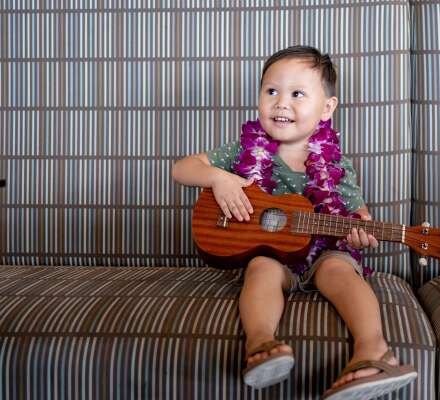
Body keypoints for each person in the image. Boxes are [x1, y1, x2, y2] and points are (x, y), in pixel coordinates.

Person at [172, 45, 416, 399]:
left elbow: (359, 215)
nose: (281, 103)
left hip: (324, 254)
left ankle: (373, 350)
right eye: (271, 91)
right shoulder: (242, 152)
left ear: (327, 108)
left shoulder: (336, 165)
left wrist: (364, 230)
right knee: (260, 268)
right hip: (272, 256)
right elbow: (181, 169)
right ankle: (261, 345)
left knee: (340, 271)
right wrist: (217, 178)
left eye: (297, 94)